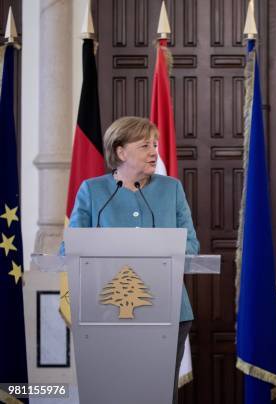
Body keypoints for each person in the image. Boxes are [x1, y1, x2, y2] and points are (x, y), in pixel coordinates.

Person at [65, 116, 198, 404]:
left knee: (160, 395)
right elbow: (70, 249)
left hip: (169, 309)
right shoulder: (93, 190)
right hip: (105, 312)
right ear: (121, 151)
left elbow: (191, 245)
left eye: (155, 144)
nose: (154, 152)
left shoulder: (171, 188)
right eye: (144, 145)